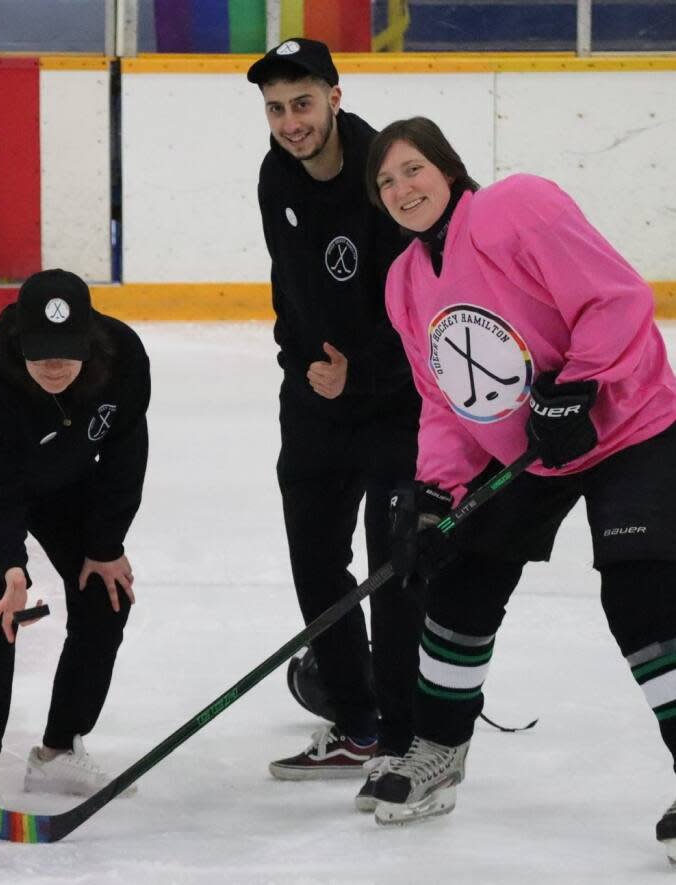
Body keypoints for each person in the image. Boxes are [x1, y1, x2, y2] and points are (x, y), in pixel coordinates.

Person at [363, 116, 676, 861]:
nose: (402, 189)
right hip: (528, 451)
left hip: (627, 425)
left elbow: (617, 298)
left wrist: (578, 384)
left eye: (412, 170)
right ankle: (438, 749)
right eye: (386, 182)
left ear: (447, 167)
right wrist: (437, 493)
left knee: (641, 594)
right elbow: (443, 400)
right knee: (459, 585)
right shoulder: (404, 283)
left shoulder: (515, 207)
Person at [246, 38, 424, 807]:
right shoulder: (273, 175)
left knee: (395, 568)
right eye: (277, 109)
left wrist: (365, 372)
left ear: (335, 96)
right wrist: (303, 369)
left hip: (393, 403)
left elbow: (418, 303)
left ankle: (406, 734)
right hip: (315, 400)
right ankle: (355, 721)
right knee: (316, 560)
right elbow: (291, 289)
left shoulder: (382, 173)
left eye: (303, 103)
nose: (290, 123)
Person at [0, 269, 149, 803]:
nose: (53, 365)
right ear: (21, 338)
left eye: (66, 351)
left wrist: (105, 546)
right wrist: (9, 565)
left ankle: (59, 751)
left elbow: (125, 451)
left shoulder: (124, 357)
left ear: (89, 338)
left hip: (62, 477)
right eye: (41, 350)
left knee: (106, 597)